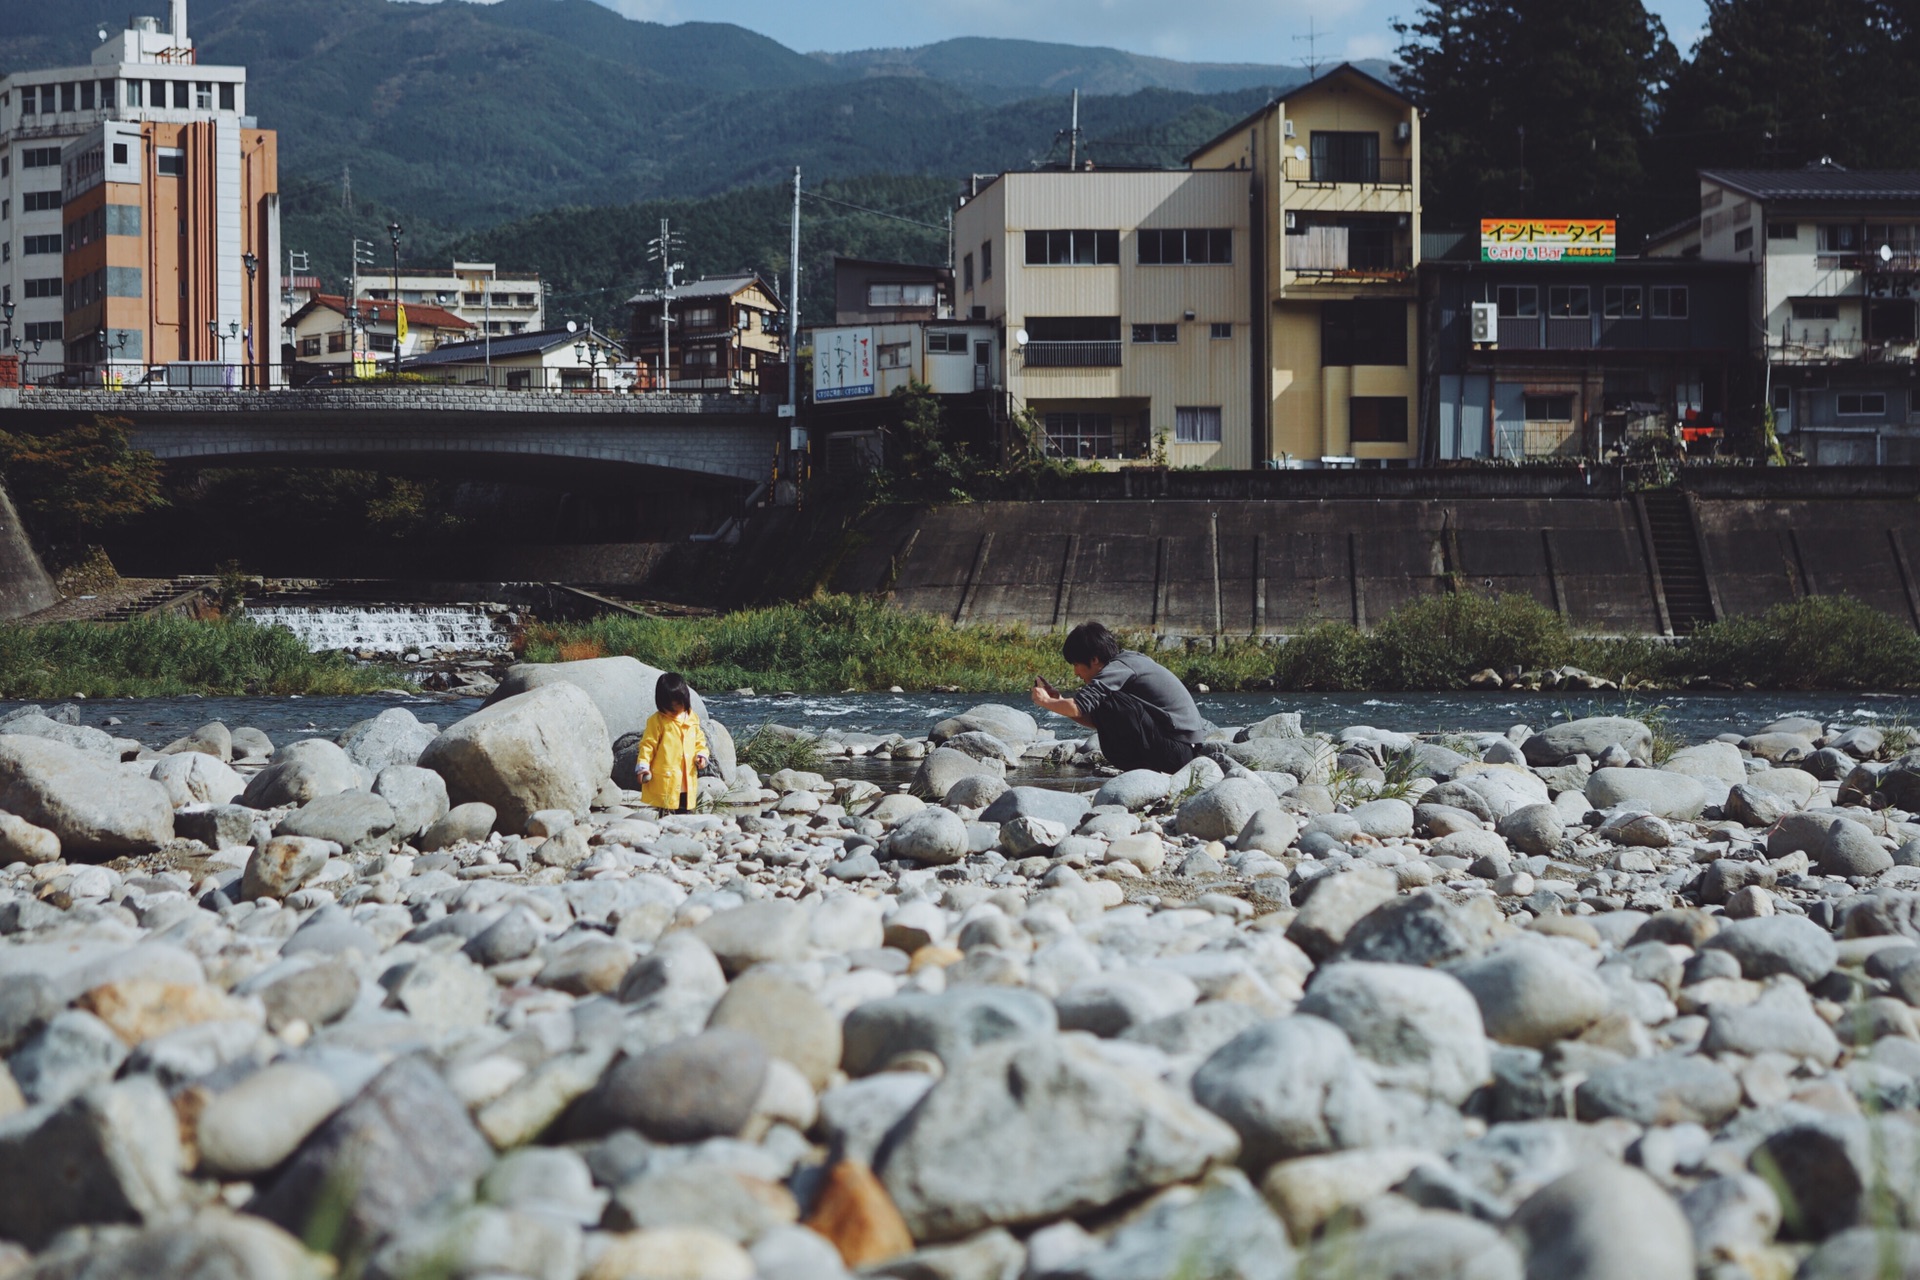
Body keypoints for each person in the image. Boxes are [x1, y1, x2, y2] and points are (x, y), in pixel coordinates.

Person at [1030, 621, 1212, 773]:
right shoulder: (1128, 661)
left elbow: (1080, 706)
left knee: (1107, 699)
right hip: (1183, 750)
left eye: (1077, 664)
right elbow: (1099, 720)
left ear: (1094, 659)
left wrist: (1046, 701)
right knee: (1105, 702)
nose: (1075, 671)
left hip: (1179, 753)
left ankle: (1142, 772)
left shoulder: (1119, 668)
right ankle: (1142, 774)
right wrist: (1058, 700)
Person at [636, 672, 709, 813]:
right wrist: (643, 767)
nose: (675, 711)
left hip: (687, 780)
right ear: (661, 704)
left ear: (686, 700)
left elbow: (699, 741)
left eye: (679, 706)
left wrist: (701, 755)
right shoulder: (657, 721)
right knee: (667, 815)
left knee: (686, 814)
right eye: (670, 709)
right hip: (667, 782)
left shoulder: (692, 718)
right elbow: (647, 745)